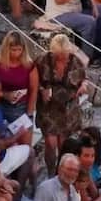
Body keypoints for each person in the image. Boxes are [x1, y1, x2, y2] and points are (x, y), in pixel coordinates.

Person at [37, 35, 88, 176]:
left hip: (67, 108)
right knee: (50, 142)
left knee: (63, 144)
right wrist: (42, 90)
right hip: (48, 108)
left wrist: (83, 86)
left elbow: (84, 78)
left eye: (64, 56)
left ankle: (62, 173)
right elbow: (34, 79)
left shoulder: (75, 61)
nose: (62, 59)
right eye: (58, 56)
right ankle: (50, 171)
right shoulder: (43, 60)